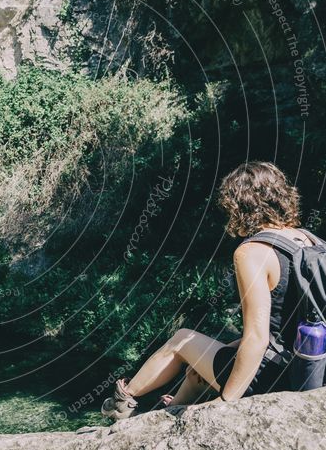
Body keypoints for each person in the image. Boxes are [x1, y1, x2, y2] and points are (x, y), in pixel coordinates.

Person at [102, 161, 310, 419]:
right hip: (309, 371)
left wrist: (225, 401)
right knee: (196, 371)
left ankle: (121, 403)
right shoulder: (306, 241)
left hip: (276, 378)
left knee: (181, 339)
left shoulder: (254, 251)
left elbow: (258, 337)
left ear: (239, 205)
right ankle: (166, 415)